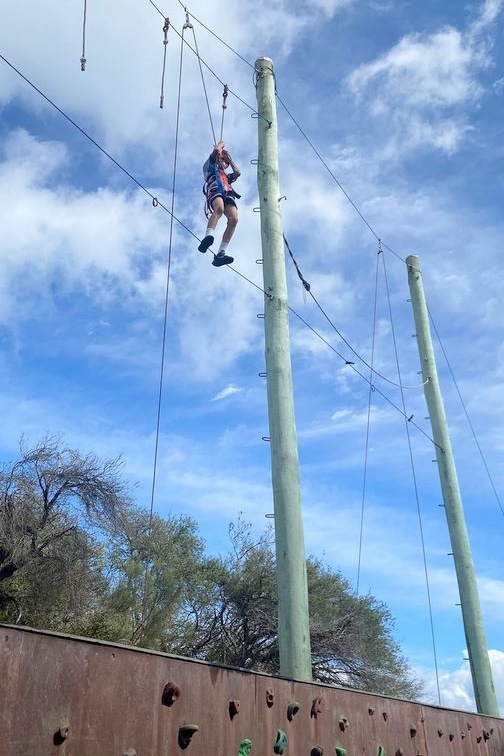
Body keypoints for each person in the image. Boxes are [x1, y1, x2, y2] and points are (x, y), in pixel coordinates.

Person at [198, 140, 241, 267]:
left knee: (234, 219)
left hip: (227, 192)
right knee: (219, 209)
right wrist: (221, 145)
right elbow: (216, 150)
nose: (225, 163)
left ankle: (221, 253)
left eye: (226, 163)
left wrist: (230, 160)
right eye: (223, 160)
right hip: (215, 189)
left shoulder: (226, 177)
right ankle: (208, 237)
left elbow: (238, 173)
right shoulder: (210, 165)